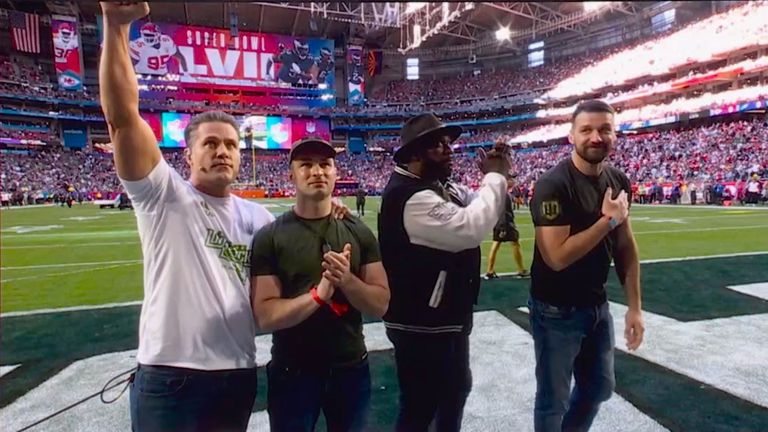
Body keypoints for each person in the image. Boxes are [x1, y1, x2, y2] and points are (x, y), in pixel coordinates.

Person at [100, 3, 273, 431]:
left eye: (231, 145)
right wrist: (116, 26)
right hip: (170, 373)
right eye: (210, 143)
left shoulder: (260, 217)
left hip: (237, 372)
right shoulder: (163, 194)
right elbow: (123, 119)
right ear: (188, 154)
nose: (222, 151)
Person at [378, 113, 513, 431]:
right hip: (422, 323)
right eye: (437, 145)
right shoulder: (411, 197)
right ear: (414, 154)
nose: (449, 149)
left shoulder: (435, 186)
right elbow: (470, 227)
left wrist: (496, 178)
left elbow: (481, 206)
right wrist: (495, 178)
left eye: (448, 142)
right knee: (420, 407)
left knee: (453, 394)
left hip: (444, 317)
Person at [250, 137, 390, 432]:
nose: (317, 171)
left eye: (325, 164)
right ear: (291, 174)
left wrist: (347, 281)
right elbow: (264, 315)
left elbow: (381, 304)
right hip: (293, 371)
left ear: (336, 173)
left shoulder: (358, 230)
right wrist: (318, 295)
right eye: (306, 165)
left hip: (351, 367)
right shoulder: (270, 236)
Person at [528, 100, 645, 432]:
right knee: (553, 401)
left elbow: (625, 247)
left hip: (597, 305)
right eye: (587, 130)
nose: (596, 137)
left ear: (615, 135)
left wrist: (635, 307)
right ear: (571, 136)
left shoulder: (618, 179)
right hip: (555, 309)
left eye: (605, 129)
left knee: (599, 388)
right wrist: (606, 222)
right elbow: (556, 257)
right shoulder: (554, 184)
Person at [485, 177, 530, 279]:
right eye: (511, 179)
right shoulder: (504, 195)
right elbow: (504, 213)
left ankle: (490, 270)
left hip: (499, 223)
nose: (513, 181)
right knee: (514, 244)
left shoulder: (501, 194)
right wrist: (505, 226)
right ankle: (521, 269)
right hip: (505, 224)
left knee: (496, 245)